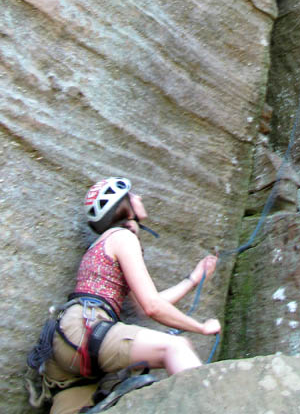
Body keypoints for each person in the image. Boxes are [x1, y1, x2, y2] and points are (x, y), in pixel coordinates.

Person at [28, 177, 221, 414]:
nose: (138, 198)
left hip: (65, 351)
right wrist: (200, 327)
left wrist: (193, 279)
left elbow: (145, 306)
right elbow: (152, 307)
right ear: (123, 205)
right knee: (177, 347)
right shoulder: (122, 237)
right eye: (133, 195)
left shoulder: (106, 242)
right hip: (85, 329)